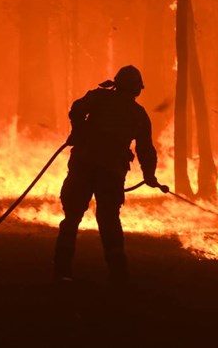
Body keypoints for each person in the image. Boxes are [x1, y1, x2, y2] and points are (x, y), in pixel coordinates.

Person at [53, 65, 162, 283]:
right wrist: (149, 175)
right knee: (109, 220)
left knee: (72, 217)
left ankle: (62, 270)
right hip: (109, 173)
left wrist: (78, 129)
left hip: (85, 166)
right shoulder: (137, 114)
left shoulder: (100, 98)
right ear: (137, 89)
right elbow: (145, 149)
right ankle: (118, 274)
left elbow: (77, 109)